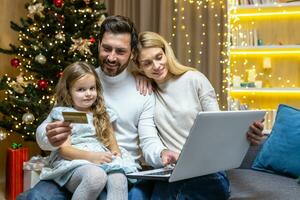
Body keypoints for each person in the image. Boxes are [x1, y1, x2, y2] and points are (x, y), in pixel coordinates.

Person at [19, 15, 176, 200]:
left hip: (119, 169)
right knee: (36, 197)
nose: (111, 57)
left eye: (120, 51)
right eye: (106, 48)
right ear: (99, 44)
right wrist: (50, 137)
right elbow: (46, 129)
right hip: (74, 166)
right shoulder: (81, 79)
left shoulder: (142, 90)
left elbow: (148, 140)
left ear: (132, 53)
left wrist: (161, 153)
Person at [132, 31, 265, 199]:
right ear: (140, 67)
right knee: (138, 194)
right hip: (170, 171)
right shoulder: (146, 93)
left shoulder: (194, 79)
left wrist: (247, 137)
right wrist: (163, 153)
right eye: (147, 63)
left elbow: (219, 126)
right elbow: (148, 141)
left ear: (166, 53)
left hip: (207, 170)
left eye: (159, 57)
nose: (156, 66)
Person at [39, 61, 137, 200]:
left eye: (92, 88)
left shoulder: (102, 113)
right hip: (74, 162)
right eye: (81, 90)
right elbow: (64, 150)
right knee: (96, 177)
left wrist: (115, 152)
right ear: (68, 91)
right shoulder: (65, 114)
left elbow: (111, 140)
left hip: (101, 158)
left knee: (119, 178)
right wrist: (92, 157)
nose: (88, 94)